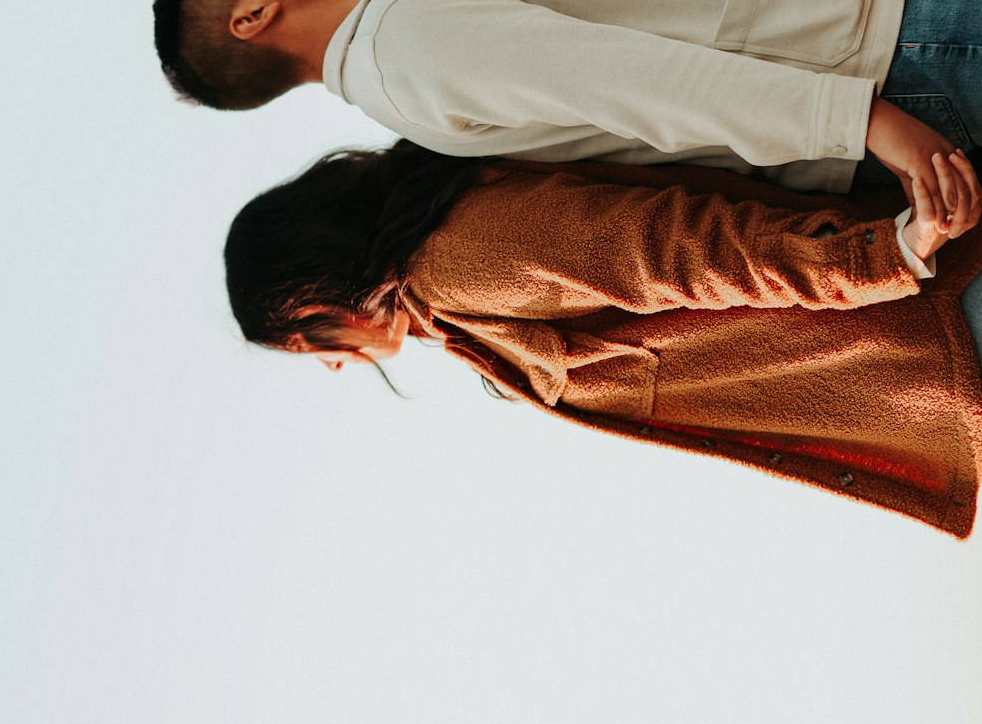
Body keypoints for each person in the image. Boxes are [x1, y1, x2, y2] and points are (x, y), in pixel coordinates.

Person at [224, 140, 982, 538]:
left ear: (310, 298)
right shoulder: (452, 309)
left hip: (934, 327)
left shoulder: (457, 263)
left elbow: (673, 251)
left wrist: (885, 255)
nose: (328, 365)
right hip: (924, 355)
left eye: (303, 345)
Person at [154, 0, 982, 217]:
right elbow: (639, 84)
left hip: (874, 37)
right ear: (252, 18)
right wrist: (864, 120)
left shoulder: (392, 46)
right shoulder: (400, 48)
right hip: (885, 58)